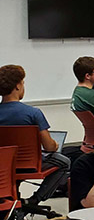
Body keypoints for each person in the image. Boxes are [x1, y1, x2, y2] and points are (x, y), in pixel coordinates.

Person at [0, 65, 70, 201]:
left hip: (3, 165)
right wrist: (55, 145)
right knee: (65, 162)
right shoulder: (33, 113)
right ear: (18, 86)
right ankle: (34, 200)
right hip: (29, 164)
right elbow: (49, 147)